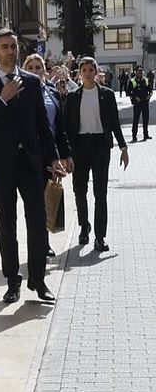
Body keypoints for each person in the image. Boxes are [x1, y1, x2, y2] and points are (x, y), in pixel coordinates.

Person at [0, 29, 67, 305]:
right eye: (5, 46)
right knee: (7, 223)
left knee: (37, 221)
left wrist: (54, 158)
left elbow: (41, 125)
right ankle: (12, 280)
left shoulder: (32, 82)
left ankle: (37, 279)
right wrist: (3, 98)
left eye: (14, 46)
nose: (11, 51)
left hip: (30, 163)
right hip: (1, 166)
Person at [63, 57, 129, 252]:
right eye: (84, 70)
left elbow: (115, 123)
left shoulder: (107, 95)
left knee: (100, 193)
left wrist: (123, 148)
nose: (88, 73)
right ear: (80, 73)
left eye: (91, 69)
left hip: (100, 145)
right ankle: (84, 226)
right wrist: (65, 154)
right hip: (80, 146)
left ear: (96, 72)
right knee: (79, 189)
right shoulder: (73, 97)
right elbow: (66, 127)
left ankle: (100, 237)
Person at [23, 53, 73, 260]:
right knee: (34, 202)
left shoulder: (51, 91)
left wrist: (66, 154)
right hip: (30, 154)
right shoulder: (21, 91)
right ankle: (38, 245)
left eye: (38, 67)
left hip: (50, 153)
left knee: (49, 198)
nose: (35, 71)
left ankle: (46, 242)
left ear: (45, 70)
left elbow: (59, 127)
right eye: (31, 67)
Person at [128, 66, 151, 142]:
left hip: (145, 102)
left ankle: (146, 134)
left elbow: (150, 90)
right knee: (136, 120)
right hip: (137, 103)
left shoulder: (146, 80)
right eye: (138, 71)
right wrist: (134, 97)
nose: (140, 72)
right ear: (135, 72)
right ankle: (134, 136)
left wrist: (149, 95)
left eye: (141, 71)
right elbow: (128, 92)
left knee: (146, 119)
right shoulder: (132, 81)